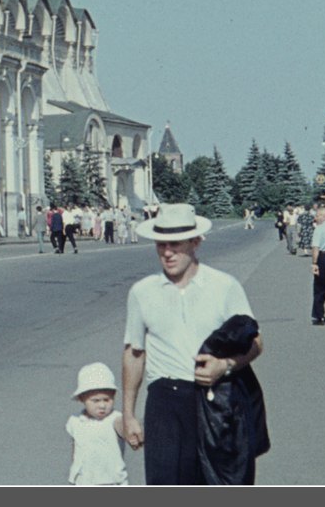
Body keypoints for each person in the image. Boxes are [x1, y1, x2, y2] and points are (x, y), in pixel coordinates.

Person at [121, 203, 263, 485]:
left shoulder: (224, 286)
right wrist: (128, 415)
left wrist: (225, 365)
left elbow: (256, 342)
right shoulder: (142, 292)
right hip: (165, 402)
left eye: (175, 244)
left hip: (216, 400)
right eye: (161, 245)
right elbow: (134, 353)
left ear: (196, 242)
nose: (167, 252)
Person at [66, 362, 128, 486]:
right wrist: (74, 473)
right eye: (95, 401)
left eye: (107, 400)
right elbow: (76, 448)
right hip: (85, 480)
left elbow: (125, 430)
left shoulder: (115, 419)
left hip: (112, 480)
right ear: (82, 399)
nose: (102, 405)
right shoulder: (75, 421)